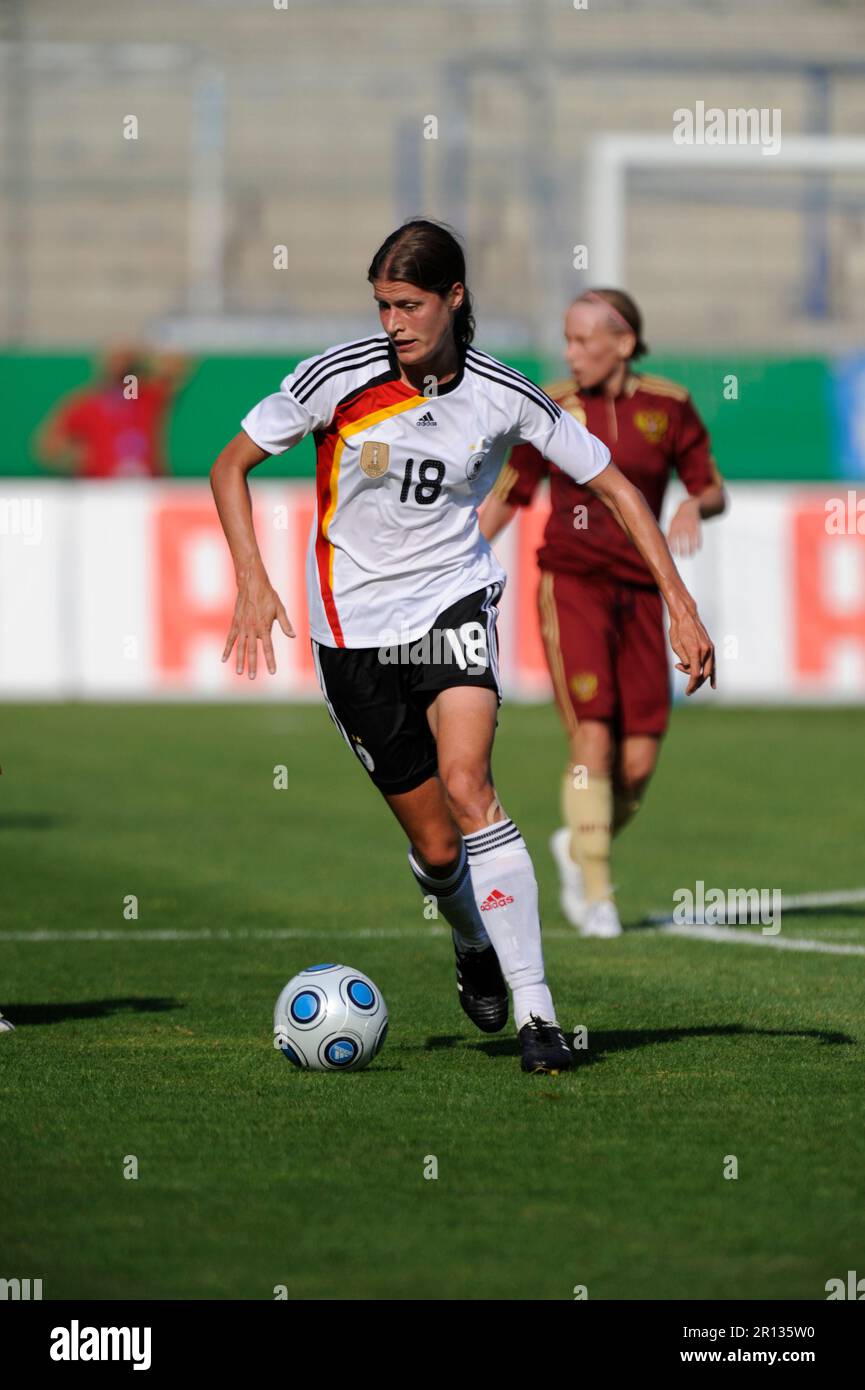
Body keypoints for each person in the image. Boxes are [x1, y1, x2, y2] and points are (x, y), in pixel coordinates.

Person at [209, 222, 715, 1075]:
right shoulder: (338, 376)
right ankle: (469, 936)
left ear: (454, 298)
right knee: (439, 849)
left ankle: (539, 1017)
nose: (393, 322)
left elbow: (617, 488)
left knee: (471, 785)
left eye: (409, 305)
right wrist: (252, 580)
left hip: (451, 602)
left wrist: (681, 603)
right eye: (381, 305)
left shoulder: (504, 395)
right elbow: (230, 466)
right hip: (352, 631)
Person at [480, 289, 726, 937]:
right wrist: (448, 560)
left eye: (582, 340)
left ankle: (577, 840)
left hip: (646, 593)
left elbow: (710, 486)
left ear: (621, 342)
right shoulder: (550, 406)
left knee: (638, 763)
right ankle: (596, 892)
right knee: (592, 735)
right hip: (573, 585)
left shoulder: (668, 407)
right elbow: (509, 496)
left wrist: (689, 506)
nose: (569, 353)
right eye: (566, 340)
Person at [36, 346, 187, 479]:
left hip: (147, 488)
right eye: (116, 361)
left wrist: (143, 359)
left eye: (126, 363)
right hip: (102, 490)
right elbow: (48, 446)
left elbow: (176, 369)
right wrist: (78, 457)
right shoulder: (88, 404)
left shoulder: (148, 398)